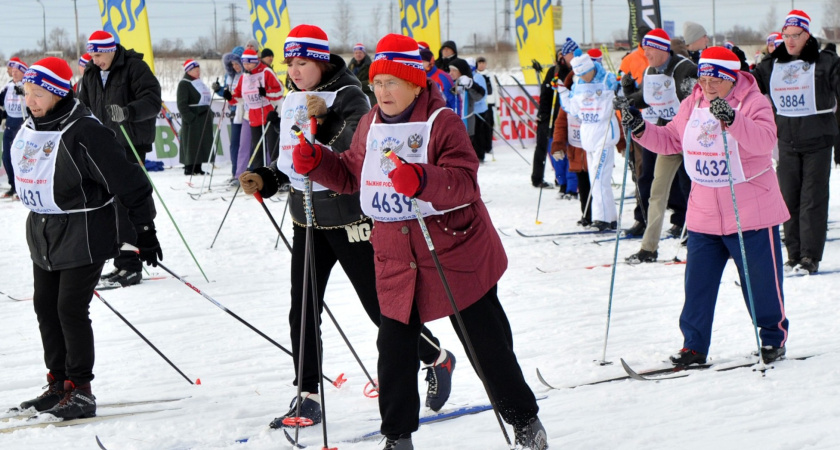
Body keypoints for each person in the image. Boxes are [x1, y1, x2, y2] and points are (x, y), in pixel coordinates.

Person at [290, 33, 547, 450]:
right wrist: (319, 163)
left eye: (393, 82)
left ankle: (523, 420)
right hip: (394, 252)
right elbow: (354, 174)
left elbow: (464, 182)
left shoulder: (441, 121)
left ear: (415, 83)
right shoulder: (371, 123)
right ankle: (397, 437)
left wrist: (423, 180)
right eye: (377, 82)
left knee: (486, 345)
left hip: (454, 250)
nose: (383, 91)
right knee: (393, 352)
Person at [238, 25, 454, 430]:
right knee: (302, 308)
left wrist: (329, 116)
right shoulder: (293, 98)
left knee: (381, 309)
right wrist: (267, 178)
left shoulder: (353, 94)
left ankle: (435, 357)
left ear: (320, 60)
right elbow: (292, 159)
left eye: (302, 62)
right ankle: (307, 394)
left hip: (349, 220)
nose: (295, 71)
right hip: (306, 219)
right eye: (290, 63)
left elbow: (357, 155)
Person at [618, 46, 790, 365]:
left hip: (750, 214)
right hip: (704, 215)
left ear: (731, 78)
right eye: (703, 78)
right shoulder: (693, 101)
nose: (707, 86)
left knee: (761, 286)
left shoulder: (754, 102)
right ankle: (694, 346)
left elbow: (765, 142)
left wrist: (733, 119)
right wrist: (640, 129)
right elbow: (671, 139)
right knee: (697, 287)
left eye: (715, 80)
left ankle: (772, 338)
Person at [13, 57, 161, 421]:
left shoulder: (85, 130)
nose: (29, 100)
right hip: (43, 232)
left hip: (85, 232)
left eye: (37, 93)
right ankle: (57, 383)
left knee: (69, 309)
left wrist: (144, 230)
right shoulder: (33, 125)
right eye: (26, 92)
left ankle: (81, 390)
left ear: (59, 92)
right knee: (45, 306)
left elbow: (131, 183)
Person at [753, 10, 840, 274]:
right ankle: (793, 254)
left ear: (807, 35)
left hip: (819, 141)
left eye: (796, 36)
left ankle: (809, 256)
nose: (790, 41)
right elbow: (750, 87)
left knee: (813, 198)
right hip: (787, 142)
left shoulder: (826, 62)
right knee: (788, 198)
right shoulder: (771, 64)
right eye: (786, 36)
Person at [77, 30, 162, 287]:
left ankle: (131, 265)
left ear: (112, 49)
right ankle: (120, 262)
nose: (95, 59)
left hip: (130, 143)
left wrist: (128, 112)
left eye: (99, 54)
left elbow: (153, 101)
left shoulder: (135, 68)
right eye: (92, 54)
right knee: (108, 206)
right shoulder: (91, 73)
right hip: (103, 148)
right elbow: (83, 107)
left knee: (128, 204)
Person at [620, 28, 697, 263]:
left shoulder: (686, 68)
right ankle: (649, 247)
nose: (646, 54)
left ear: (662, 49)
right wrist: (628, 97)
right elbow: (647, 98)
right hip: (668, 136)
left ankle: (698, 234)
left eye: (649, 49)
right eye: (645, 49)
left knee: (695, 190)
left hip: (692, 137)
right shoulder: (650, 70)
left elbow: (695, 100)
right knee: (657, 190)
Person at [556, 49, 622, 232]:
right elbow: (574, 109)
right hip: (589, 138)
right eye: (579, 74)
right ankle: (610, 218)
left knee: (599, 179)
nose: (583, 77)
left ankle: (600, 218)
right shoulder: (578, 84)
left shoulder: (607, 79)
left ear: (590, 68)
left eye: (584, 73)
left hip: (605, 136)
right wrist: (562, 91)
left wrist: (624, 86)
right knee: (597, 179)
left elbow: (622, 96)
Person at [223, 48, 285, 172]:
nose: (246, 66)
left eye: (249, 63)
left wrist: (266, 92)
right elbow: (239, 97)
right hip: (254, 115)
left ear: (255, 61)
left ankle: (279, 176)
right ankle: (259, 177)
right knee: (257, 149)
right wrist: (230, 97)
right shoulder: (244, 77)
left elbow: (279, 90)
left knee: (273, 148)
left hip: (270, 113)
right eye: (244, 63)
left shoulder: (266, 72)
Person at [532, 39, 574, 189]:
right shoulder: (553, 71)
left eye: (565, 54)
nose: (562, 57)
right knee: (548, 148)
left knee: (569, 149)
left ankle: (569, 181)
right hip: (551, 116)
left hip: (568, 116)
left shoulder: (573, 71)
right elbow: (545, 95)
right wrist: (543, 114)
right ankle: (542, 177)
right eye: (560, 54)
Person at [552, 71, 591, 225]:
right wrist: (558, 146)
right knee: (583, 184)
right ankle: (587, 215)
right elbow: (561, 124)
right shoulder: (568, 102)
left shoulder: (593, 97)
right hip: (576, 149)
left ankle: (602, 217)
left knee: (596, 184)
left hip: (593, 149)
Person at [176, 59, 214, 176]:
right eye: (196, 70)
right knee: (191, 144)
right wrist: (190, 118)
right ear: (189, 71)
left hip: (203, 118)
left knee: (201, 143)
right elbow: (182, 104)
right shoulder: (184, 84)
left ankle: (198, 167)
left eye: (199, 70)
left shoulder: (198, 82)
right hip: (193, 119)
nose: (198, 73)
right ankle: (189, 167)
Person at [212, 49, 244, 183]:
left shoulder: (245, 76)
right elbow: (227, 92)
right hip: (233, 113)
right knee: (234, 144)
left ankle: (246, 173)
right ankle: (235, 173)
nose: (235, 67)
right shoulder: (229, 76)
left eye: (237, 63)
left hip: (244, 113)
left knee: (245, 144)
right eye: (232, 64)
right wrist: (219, 89)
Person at [448, 58, 487, 161]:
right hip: (451, 125)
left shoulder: (468, 82)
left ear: (461, 71)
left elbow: (480, 96)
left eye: (453, 70)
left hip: (467, 124)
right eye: (450, 70)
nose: (450, 73)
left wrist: (471, 85)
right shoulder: (449, 82)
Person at [2, 56, 27, 199]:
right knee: (6, 158)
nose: (14, 73)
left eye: (18, 71)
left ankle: (21, 188)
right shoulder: (8, 86)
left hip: (21, 124)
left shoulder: (27, 85)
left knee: (20, 158)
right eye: (13, 70)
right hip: (10, 125)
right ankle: (13, 187)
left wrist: (23, 91)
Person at [419, 44, 457, 111]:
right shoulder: (418, 76)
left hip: (442, 115)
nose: (421, 64)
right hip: (425, 116)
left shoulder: (443, 76)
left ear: (431, 61)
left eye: (424, 61)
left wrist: (456, 117)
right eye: (419, 61)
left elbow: (453, 100)